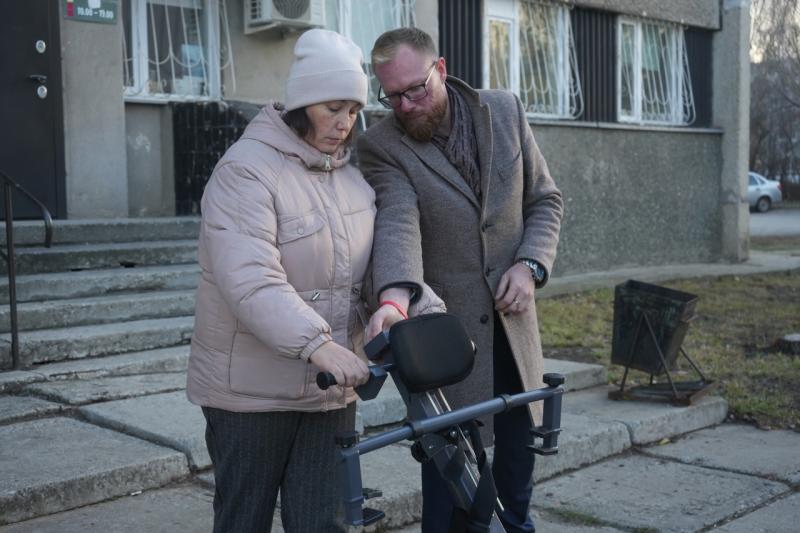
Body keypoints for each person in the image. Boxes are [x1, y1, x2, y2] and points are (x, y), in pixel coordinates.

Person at [361, 28, 564, 533]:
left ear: (442, 70)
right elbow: (397, 221)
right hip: (445, 346)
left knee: (516, 479)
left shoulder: (506, 110)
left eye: (416, 90)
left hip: (515, 335)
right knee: (450, 490)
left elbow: (544, 201)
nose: (405, 106)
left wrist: (531, 265)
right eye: (392, 96)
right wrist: (395, 297)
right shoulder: (381, 145)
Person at [185, 29, 374, 533]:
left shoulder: (351, 178)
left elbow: (370, 272)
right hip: (250, 394)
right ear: (301, 104)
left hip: (330, 390)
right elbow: (250, 278)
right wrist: (318, 344)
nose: (344, 123)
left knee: (321, 524)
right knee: (244, 520)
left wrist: (408, 307)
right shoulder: (245, 172)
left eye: (353, 111)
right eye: (333, 107)